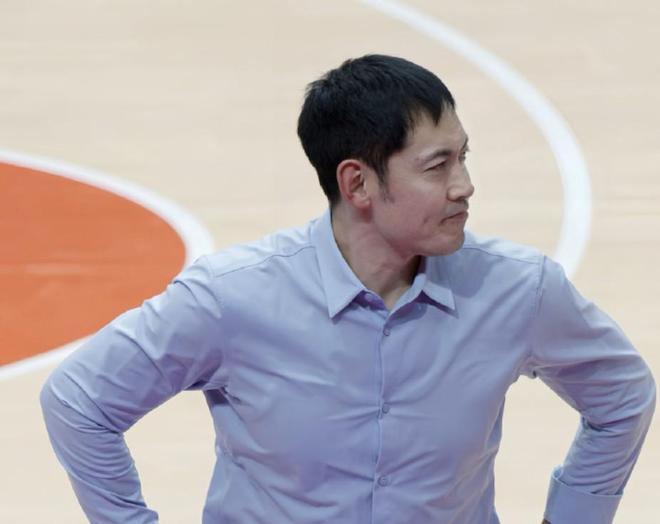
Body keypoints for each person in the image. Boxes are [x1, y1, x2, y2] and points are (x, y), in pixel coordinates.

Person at [41, 54, 655, 524]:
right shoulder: (232, 298)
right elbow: (79, 403)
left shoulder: (519, 290)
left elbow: (623, 397)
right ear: (357, 184)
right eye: (438, 165)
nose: (465, 185)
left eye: (464, 157)